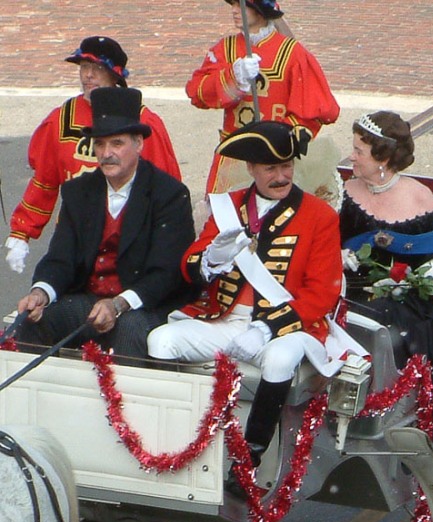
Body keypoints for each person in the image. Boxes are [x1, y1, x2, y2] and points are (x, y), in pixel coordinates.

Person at [146, 121, 343, 487]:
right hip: (224, 320)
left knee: (280, 358)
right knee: (161, 341)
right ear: (252, 170)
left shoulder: (319, 216)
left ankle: (248, 460)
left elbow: (322, 293)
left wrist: (267, 327)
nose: (282, 176)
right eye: (271, 168)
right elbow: (189, 267)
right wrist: (210, 260)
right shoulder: (228, 208)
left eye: (287, 166)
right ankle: (174, 443)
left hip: (289, 325)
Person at [340, 111, 433, 474]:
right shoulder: (342, 193)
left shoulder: (418, 197)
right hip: (353, 294)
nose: (351, 157)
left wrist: (419, 278)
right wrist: (339, 258)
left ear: (382, 159)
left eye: (359, 151)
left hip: (410, 296)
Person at [14, 87, 195, 359]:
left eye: (117, 143)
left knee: (129, 330)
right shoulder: (79, 191)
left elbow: (166, 274)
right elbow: (61, 257)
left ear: (139, 143)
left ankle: (122, 403)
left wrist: (119, 304)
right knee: (33, 320)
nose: (106, 153)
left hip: (142, 304)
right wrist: (41, 292)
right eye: (100, 144)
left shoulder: (169, 194)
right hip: (90, 300)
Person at [5, 36, 181, 274]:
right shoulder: (60, 119)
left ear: (115, 75)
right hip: (75, 240)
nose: (88, 75)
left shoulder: (144, 123)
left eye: (98, 68)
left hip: (131, 243)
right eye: (84, 67)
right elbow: (44, 182)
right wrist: (22, 231)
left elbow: (167, 191)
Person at [185, 0, 340, 194]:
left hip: (277, 160)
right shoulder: (225, 49)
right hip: (233, 158)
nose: (234, 11)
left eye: (241, 5)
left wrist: (279, 140)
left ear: (260, 11)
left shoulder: (292, 52)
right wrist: (233, 77)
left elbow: (317, 110)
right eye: (232, 5)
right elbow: (197, 93)